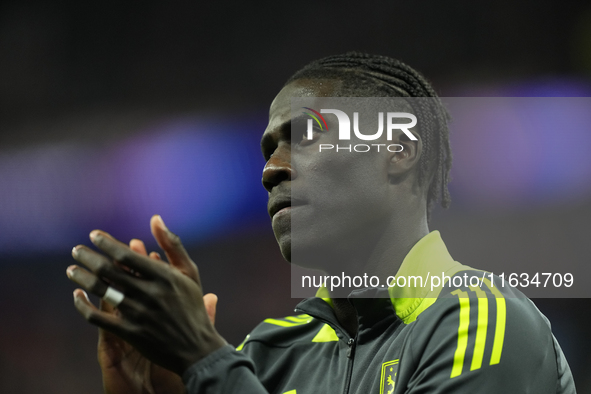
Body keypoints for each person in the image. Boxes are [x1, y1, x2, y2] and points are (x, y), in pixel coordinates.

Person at [66, 52, 576, 393]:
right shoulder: (266, 355)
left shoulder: (482, 324)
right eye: (268, 149)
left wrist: (205, 359)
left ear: (396, 151)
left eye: (305, 136)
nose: (270, 170)